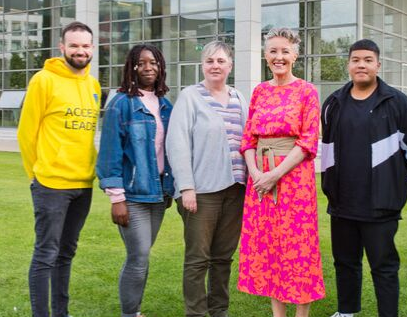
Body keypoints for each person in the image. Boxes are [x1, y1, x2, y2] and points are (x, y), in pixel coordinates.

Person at [320, 39, 407, 317]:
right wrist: (331, 187)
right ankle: (346, 311)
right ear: (349, 65)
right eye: (356, 60)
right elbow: (327, 149)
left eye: (368, 60)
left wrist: (393, 178)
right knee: (344, 262)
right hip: (342, 201)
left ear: (378, 64)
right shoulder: (333, 103)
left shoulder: (397, 102)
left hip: (380, 203)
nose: (361, 65)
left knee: (384, 267)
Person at [238, 27, 325, 317]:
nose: (279, 57)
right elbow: (248, 139)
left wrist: (275, 174)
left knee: (298, 248)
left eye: (285, 51)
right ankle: (278, 314)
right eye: (273, 51)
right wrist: (255, 173)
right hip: (260, 179)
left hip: (294, 181)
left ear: (295, 55)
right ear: (265, 56)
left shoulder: (307, 91)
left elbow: (309, 140)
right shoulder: (260, 92)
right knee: (269, 246)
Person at [18, 21, 101, 317]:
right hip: (51, 184)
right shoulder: (43, 80)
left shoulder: (93, 85)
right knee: (45, 255)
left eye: (86, 45)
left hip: (83, 184)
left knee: (66, 254)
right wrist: (37, 176)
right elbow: (26, 134)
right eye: (74, 45)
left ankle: (60, 313)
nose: (81, 51)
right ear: (62, 47)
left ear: (93, 48)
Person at [166, 40, 249, 317]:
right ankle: (196, 313)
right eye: (210, 61)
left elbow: (249, 141)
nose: (215, 66)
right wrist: (186, 187)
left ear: (230, 65)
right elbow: (176, 144)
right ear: (203, 65)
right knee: (197, 259)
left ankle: (219, 311)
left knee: (223, 258)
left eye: (221, 61)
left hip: (236, 190)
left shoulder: (239, 99)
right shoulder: (190, 97)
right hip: (201, 192)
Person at [96, 43, 175, 317]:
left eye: (153, 62)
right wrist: (117, 198)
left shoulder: (165, 104)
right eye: (141, 63)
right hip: (132, 196)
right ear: (131, 67)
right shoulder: (121, 104)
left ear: (160, 67)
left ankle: (135, 310)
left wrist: (171, 189)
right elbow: (109, 155)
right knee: (138, 256)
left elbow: (170, 150)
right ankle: (130, 313)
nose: (148, 67)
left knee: (142, 256)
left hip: (158, 196)